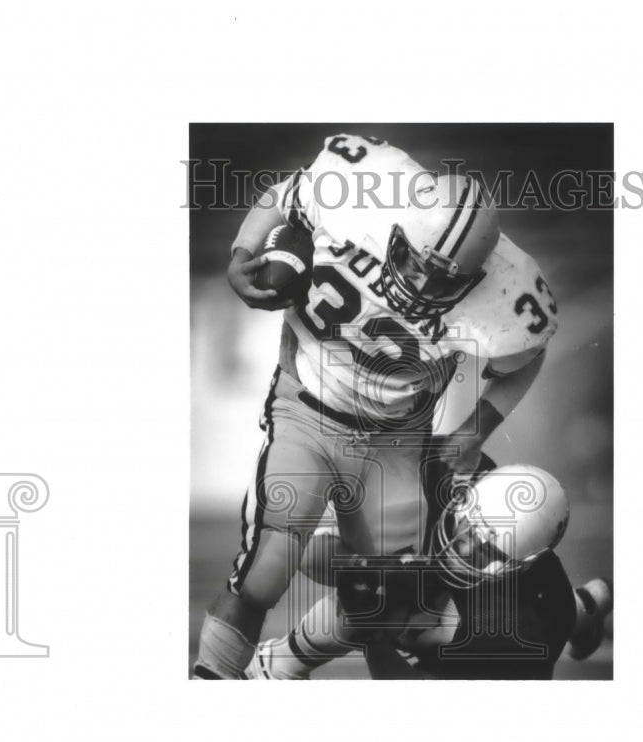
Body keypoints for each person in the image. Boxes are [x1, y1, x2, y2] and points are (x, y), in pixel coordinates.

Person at [193, 134, 558, 680]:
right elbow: (285, 195)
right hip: (308, 406)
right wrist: (242, 255)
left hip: (397, 436)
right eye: (416, 264)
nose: (421, 284)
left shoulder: (508, 293)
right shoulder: (364, 190)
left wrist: (473, 432)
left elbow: (525, 357)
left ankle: (286, 665)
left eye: (443, 279)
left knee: (394, 603)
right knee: (266, 572)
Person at [245, 461, 613, 680]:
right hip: (516, 600)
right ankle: (590, 603)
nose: (464, 547)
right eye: (468, 528)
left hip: (519, 617)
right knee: (322, 552)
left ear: (517, 566)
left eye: (485, 550)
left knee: (388, 606)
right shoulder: (450, 475)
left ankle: (582, 608)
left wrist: (377, 635)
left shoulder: (517, 636)